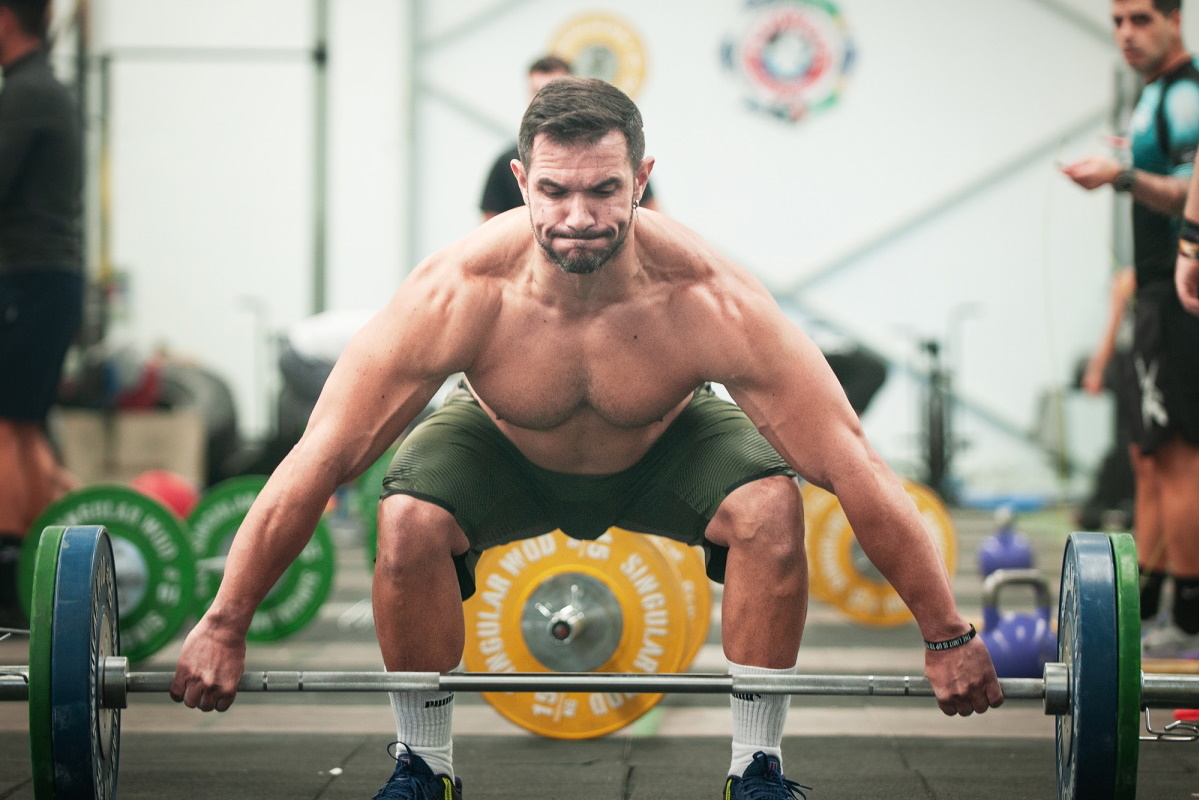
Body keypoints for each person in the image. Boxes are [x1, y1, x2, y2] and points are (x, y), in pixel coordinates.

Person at [171, 77, 1001, 800]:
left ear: (642, 179)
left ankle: (756, 769)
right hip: (503, 451)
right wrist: (225, 621)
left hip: (665, 448)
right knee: (405, 521)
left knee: (770, 508)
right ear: (519, 182)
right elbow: (321, 459)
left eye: (603, 189)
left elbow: (850, 463)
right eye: (556, 192)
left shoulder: (710, 301)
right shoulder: (456, 293)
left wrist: (946, 634)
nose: (578, 216)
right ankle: (423, 768)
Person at [1061, 0, 1199, 656]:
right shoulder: (1151, 98)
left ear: (1176, 18)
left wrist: (1119, 176)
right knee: (1146, 460)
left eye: (1140, 19)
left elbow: (1190, 187)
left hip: (1181, 296)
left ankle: (1188, 621)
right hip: (1151, 292)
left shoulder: (1184, 95)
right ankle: (1139, 615)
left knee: (1177, 460)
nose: (1124, 34)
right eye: (1116, 20)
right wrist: (1129, 163)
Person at [0, 0, 82, 628]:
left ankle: (15, 576)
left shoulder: (27, 91)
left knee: (9, 425)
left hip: (32, 278)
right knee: (25, 429)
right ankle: (83, 549)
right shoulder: (40, 87)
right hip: (45, 278)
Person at [479, 55, 657, 223]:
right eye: (552, 191)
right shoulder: (504, 164)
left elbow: (654, 220)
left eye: (604, 190)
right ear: (523, 181)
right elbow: (486, 236)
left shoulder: (616, 159)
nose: (577, 220)